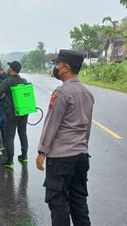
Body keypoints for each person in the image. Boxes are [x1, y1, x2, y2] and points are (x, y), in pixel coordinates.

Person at [36, 50, 94, 226]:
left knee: (58, 203)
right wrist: (83, 147)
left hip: (61, 159)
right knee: (79, 202)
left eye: (58, 64)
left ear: (66, 68)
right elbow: (87, 127)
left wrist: (42, 151)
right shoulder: (87, 93)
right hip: (81, 156)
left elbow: (52, 124)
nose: (56, 68)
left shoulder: (62, 92)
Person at [0, 61, 29, 169]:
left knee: (10, 136)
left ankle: (10, 161)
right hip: (23, 112)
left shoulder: (8, 82)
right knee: (23, 134)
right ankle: (24, 156)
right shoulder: (24, 81)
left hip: (12, 114)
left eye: (9, 67)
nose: (8, 68)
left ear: (11, 69)